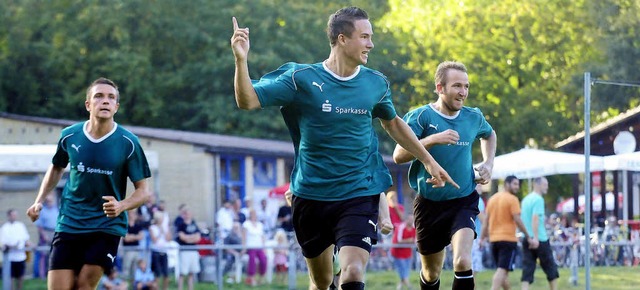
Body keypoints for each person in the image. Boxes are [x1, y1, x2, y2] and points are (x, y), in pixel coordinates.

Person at [231, 7, 457, 289]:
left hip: (358, 194)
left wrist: (427, 160)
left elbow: (394, 124)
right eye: (364, 37)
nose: (371, 44)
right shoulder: (300, 79)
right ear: (342, 39)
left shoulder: (375, 83)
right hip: (311, 194)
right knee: (323, 281)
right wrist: (241, 61)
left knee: (352, 272)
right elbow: (248, 100)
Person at [25, 77, 151, 290]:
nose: (105, 101)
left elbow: (143, 191)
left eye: (111, 98)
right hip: (70, 222)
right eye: (99, 96)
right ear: (88, 104)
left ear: (116, 107)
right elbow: (56, 167)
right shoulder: (69, 136)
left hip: (106, 226)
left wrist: (121, 205)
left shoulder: (129, 143)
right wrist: (38, 200)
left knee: (83, 285)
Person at [393, 60, 497, 290]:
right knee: (431, 273)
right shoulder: (421, 117)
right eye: (457, 86)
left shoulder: (473, 117)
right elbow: (399, 155)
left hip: (463, 199)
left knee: (462, 261)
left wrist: (489, 163)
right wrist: (432, 139)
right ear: (440, 88)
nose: (463, 92)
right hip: (429, 204)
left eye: (466, 86)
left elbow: (489, 135)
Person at [481, 176, 536, 290]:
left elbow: (486, 221)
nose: (517, 187)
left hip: (494, 240)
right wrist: (528, 235)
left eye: (518, 184)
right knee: (502, 270)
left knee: (503, 273)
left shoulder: (492, 199)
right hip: (508, 240)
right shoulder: (512, 199)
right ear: (506, 184)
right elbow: (517, 219)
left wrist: (482, 239)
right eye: (515, 184)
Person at [520, 177, 559, 290]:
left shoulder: (526, 199)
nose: (546, 187)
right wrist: (536, 238)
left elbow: (525, 219)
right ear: (537, 185)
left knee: (527, 270)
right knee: (551, 269)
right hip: (540, 239)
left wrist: (529, 237)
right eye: (544, 184)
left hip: (527, 238)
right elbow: (535, 218)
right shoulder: (538, 199)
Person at [1, 209, 31, 290]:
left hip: (21, 256)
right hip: (10, 258)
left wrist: (30, 244)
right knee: (11, 277)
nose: (14, 217)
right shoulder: (4, 228)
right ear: (9, 216)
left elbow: (26, 239)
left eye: (15, 215)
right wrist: (12, 246)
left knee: (20, 277)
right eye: (12, 215)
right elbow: (2, 243)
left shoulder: (21, 226)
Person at [174, 205, 201, 290]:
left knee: (191, 273)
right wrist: (191, 238)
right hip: (184, 251)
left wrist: (189, 238)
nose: (188, 215)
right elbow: (182, 237)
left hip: (193, 251)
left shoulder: (194, 224)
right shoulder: (181, 225)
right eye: (186, 213)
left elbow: (198, 238)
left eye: (189, 213)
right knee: (182, 273)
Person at [34, 192, 59, 279]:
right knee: (43, 255)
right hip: (45, 233)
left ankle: (52, 275)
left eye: (51, 201)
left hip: (55, 232)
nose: (50, 202)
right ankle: (42, 276)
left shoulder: (57, 209)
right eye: (48, 201)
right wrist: (44, 235)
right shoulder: (43, 211)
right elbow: (39, 226)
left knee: (54, 254)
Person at [241, 208, 267, 286]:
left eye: (254, 214)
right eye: (252, 214)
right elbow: (244, 236)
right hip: (250, 246)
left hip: (259, 247)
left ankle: (261, 277)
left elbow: (262, 237)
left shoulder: (260, 225)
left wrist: (264, 247)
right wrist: (244, 247)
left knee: (263, 260)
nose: (253, 216)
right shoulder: (246, 224)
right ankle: (251, 278)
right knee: (252, 259)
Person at [390, 214, 416, 290]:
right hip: (398, 253)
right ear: (406, 220)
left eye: (412, 220)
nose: (411, 221)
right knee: (402, 269)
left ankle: (400, 286)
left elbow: (415, 240)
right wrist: (409, 240)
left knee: (406, 270)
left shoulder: (414, 228)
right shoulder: (401, 227)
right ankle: (409, 286)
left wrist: (410, 241)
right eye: (410, 219)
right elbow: (398, 241)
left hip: (408, 253)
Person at [149, 211, 171, 290]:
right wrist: (160, 233)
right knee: (157, 273)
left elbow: (168, 239)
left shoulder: (165, 227)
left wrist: (164, 231)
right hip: (156, 252)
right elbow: (154, 240)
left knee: (166, 273)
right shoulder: (152, 228)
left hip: (164, 252)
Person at [122, 209, 145, 280]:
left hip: (136, 250)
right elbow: (126, 238)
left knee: (135, 270)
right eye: (131, 213)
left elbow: (141, 236)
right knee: (126, 269)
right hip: (128, 250)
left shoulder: (138, 226)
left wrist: (131, 236)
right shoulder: (125, 225)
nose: (133, 215)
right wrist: (135, 236)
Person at [472, 184, 486, 272]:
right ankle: (472, 286)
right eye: (478, 185)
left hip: (469, 236)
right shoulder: (478, 200)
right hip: (476, 237)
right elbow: (483, 220)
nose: (480, 187)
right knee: (474, 267)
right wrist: (483, 238)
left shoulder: (468, 199)